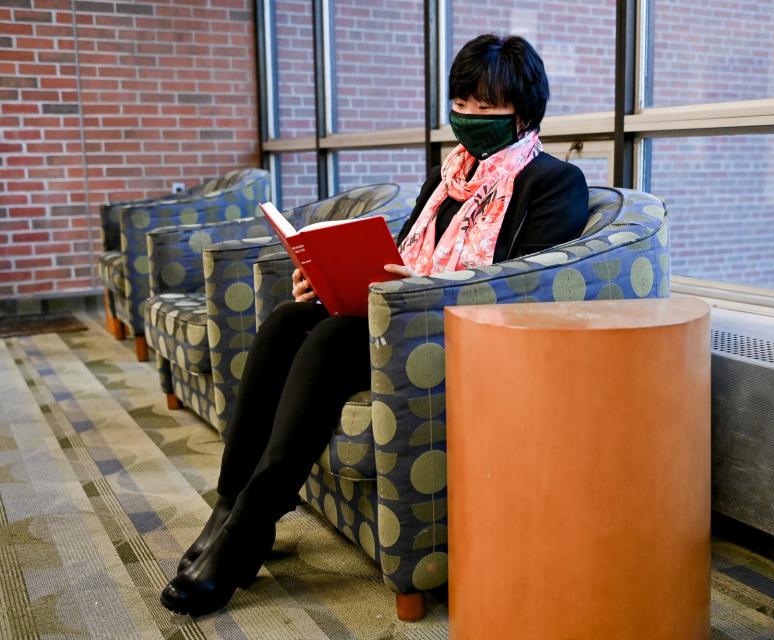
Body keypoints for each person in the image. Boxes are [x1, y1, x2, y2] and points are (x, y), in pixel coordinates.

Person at [160, 33, 589, 616]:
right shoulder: (446, 178)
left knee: (335, 336)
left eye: (485, 109)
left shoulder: (553, 183)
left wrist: (414, 290)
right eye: (460, 105)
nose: (467, 119)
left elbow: (523, 288)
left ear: (524, 113)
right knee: (291, 317)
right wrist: (329, 278)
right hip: (399, 315)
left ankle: (250, 525)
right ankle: (231, 505)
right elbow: (404, 255)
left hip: (459, 334)